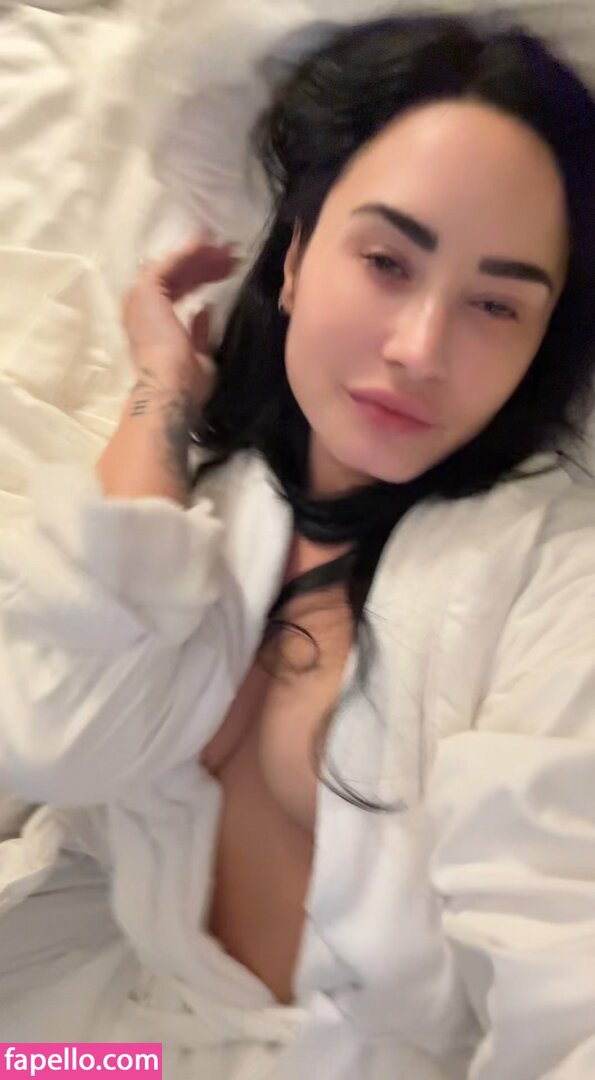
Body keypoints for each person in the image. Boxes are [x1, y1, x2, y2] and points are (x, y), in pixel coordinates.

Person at [1, 11, 595, 1079]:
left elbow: (567, 957)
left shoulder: (552, 576)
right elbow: (52, 734)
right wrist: (162, 388)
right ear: (292, 259)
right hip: (109, 1049)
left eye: (494, 304)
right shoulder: (205, 504)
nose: (419, 348)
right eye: (385, 260)